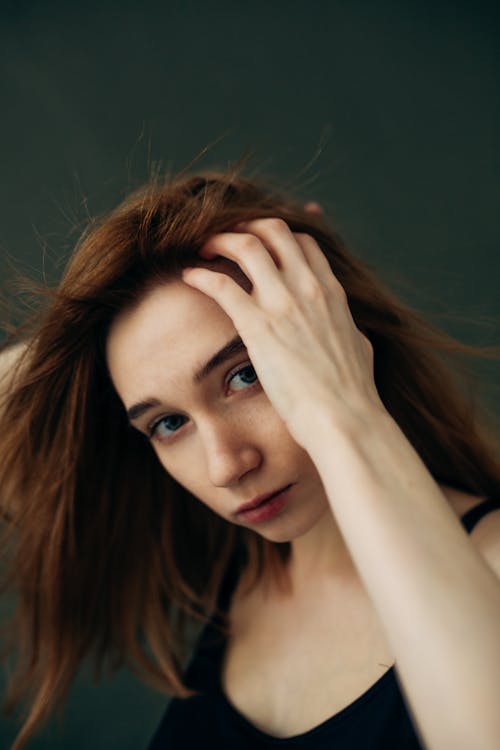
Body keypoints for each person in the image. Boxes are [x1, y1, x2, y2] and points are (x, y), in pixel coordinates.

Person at [1, 165, 500, 750]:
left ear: (330, 334)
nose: (225, 466)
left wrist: (343, 411)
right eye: (168, 423)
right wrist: (80, 331)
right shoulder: (230, 569)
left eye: (246, 375)